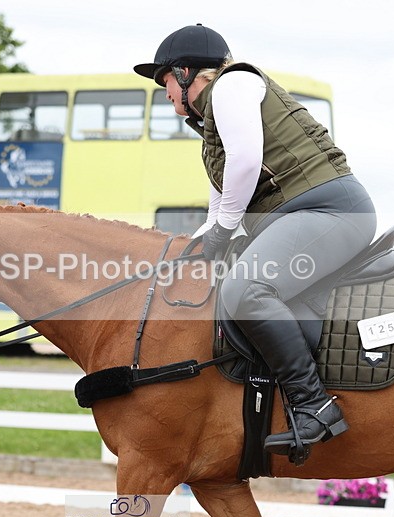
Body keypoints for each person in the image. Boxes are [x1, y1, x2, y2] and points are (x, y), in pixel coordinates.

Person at [135, 24, 377, 462]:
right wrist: (204, 238)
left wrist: (225, 228)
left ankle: (313, 405)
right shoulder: (212, 114)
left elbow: (246, 163)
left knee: (245, 289)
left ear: (186, 72)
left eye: (164, 80)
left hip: (326, 211)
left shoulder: (232, 85)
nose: (164, 90)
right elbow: (226, 186)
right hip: (297, 215)